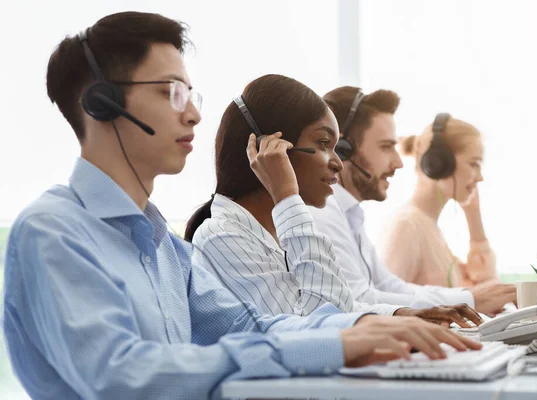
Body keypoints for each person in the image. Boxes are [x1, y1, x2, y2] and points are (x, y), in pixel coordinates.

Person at [2, 12, 480, 400]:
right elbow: (123, 377)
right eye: (172, 91)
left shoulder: (164, 247)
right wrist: (335, 343)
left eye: (191, 94)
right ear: (101, 104)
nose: (193, 112)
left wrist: (367, 328)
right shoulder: (53, 232)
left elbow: (249, 324)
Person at [186, 74, 483, 326]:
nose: (338, 163)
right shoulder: (223, 236)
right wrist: (288, 198)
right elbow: (320, 327)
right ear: (272, 150)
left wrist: (405, 313)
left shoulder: (274, 234)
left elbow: (341, 307)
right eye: (323, 144)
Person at [309, 86, 516, 316]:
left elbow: (390, 286)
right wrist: (469, 300)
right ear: (343, 150)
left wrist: (470, 299)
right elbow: (357, 300)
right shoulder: (324, 214)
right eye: (386, 147)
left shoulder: (350, 216)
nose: (398, 162)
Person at [380, 113, 499, 289]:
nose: (480, 177)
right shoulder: (407, 225)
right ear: (439, 164)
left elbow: (487, 288)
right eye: (474, 164)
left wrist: (474, 216)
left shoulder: (429, 227)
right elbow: (385, 307)